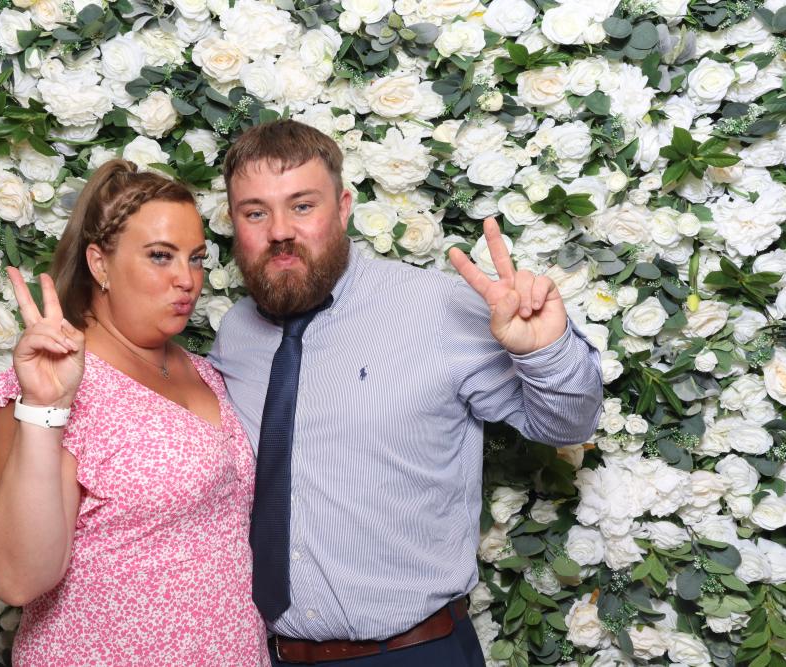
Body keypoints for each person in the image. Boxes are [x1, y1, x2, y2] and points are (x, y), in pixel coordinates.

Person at [207, 120, 604, 666]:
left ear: (343, 208)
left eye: (302, 206)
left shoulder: (437, 308)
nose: (279, 231)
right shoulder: (235, 332)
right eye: (256, 212)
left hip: (414, 652)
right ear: (234, 223)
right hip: (269, 654)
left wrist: (545, 352)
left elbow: (567, 426)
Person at [0, 160, 269, 666]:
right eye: (160, 256)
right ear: (100, 264)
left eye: (195, 258)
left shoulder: (202, 370)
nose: (187, 279)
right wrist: (45, 409)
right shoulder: (49, 384)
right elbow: (15, 579)